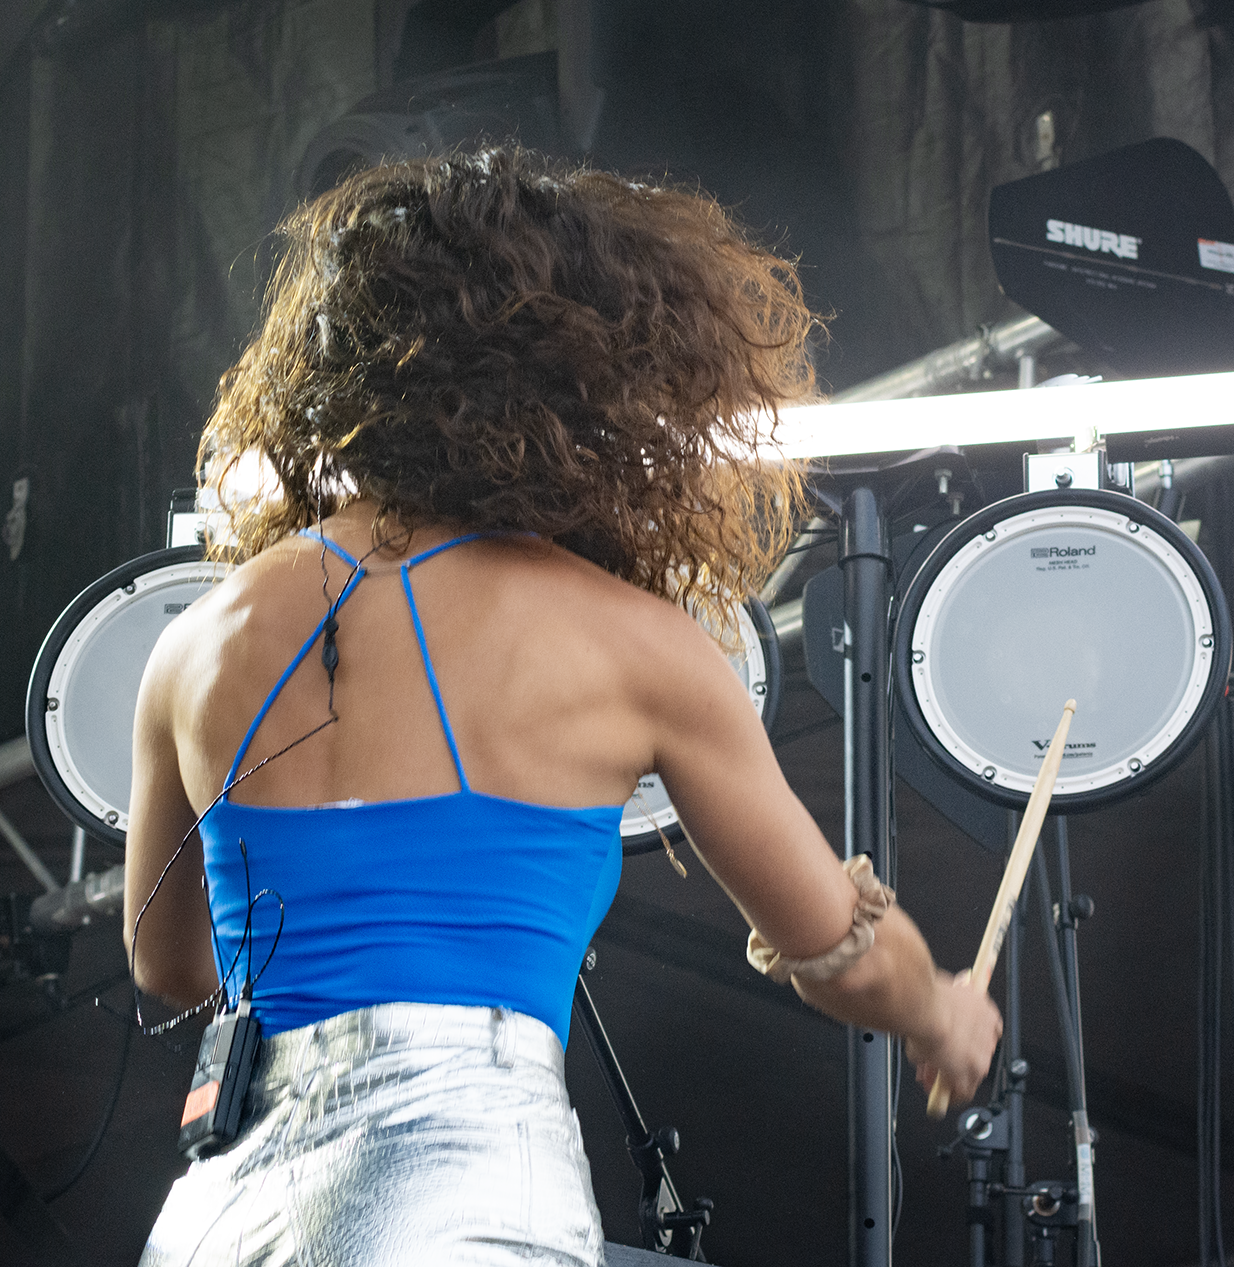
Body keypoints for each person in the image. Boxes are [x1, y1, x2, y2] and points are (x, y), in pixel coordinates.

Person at [124, 144, 1001, 1267]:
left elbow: (169, 966)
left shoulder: (198, 641)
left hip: (224, 1218)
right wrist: (940, 1011)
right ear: (583, 378)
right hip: (462, 1204)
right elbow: (838, 949)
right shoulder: (632, 644)